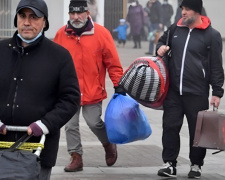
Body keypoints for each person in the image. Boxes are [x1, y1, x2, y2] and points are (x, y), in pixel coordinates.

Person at [0, 0, 81, 179]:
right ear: (16, 19)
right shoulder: (1, 51)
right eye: (22, 16)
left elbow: (71, 98)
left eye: (34, 17)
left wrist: (44, 124)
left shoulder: (59, 56)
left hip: (38, 149)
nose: (27, 22)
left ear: (45, 22)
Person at [53, 0, 125, 172]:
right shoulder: (61, 35)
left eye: (79, 13)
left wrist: (118, 85)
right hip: (68, 91)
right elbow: (52, 63)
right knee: (70, 125)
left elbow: (113, 63)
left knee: (94, 122)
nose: (76, 17)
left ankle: (108, 144)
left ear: (87, 13)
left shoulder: (102, 33)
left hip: (93, 89)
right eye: (72, 13)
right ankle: (76, 157)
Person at [156, 0, 224, 178]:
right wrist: (160, 48)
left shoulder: (212, 35)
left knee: (197, 131)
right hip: (173, 92)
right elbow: (161, 43)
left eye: (187, 9)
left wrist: (217, 92)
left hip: (197, 92)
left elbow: (216, 65)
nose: (183, 12)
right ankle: (169, 164)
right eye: (182, 9)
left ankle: (196, 165)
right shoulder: (174, 30)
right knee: (170, 127)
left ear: (197, 11)